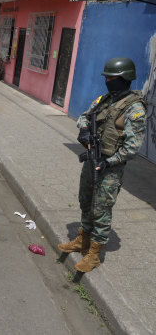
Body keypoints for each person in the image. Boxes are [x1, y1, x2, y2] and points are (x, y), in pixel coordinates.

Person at [58, 57, 146, 272]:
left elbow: (132, 148)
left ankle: (94, 254)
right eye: (106, 77)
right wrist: (85, 130)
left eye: (111, 77)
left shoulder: (134, 110)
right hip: (91, 160)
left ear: (124, 78)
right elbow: (84, 117)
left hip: (110, 168)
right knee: (85, 200)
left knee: (101, 209)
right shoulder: (103, 100)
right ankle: (82, 240)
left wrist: (110, 162)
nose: (107, 80)